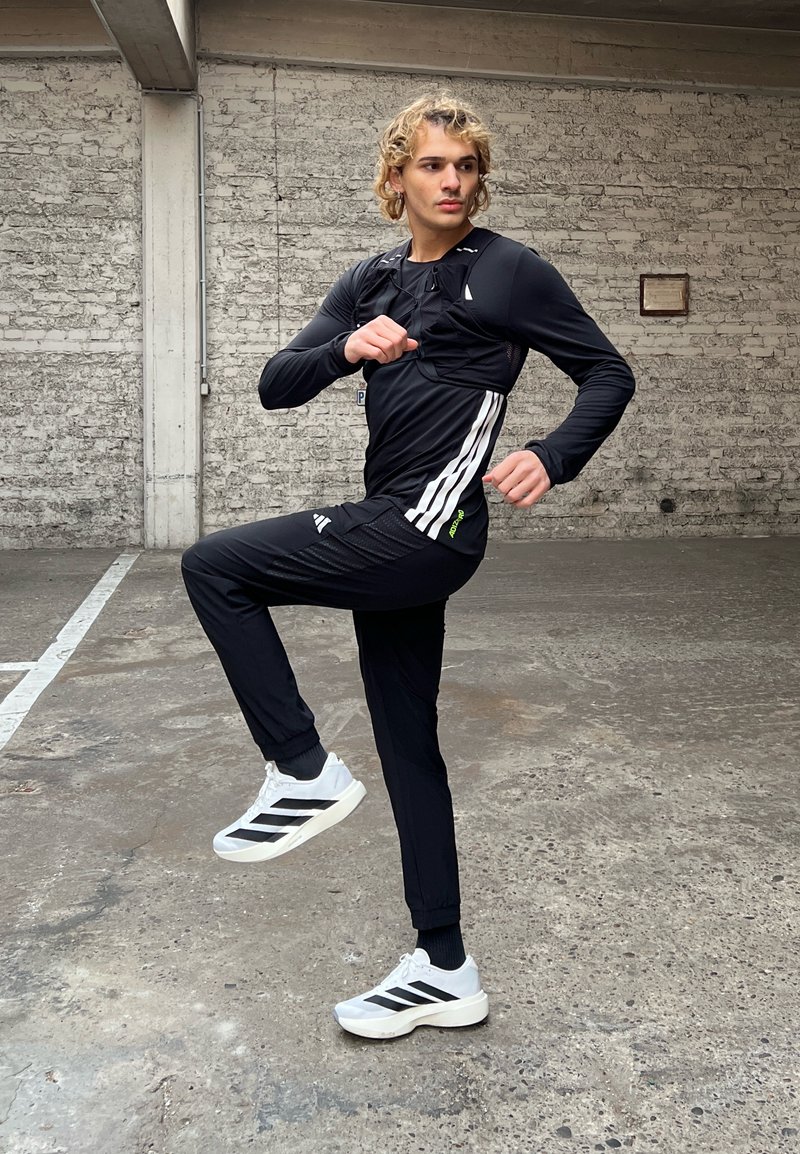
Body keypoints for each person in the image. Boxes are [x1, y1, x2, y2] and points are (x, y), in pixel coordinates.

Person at [181, 92, 635, 1041]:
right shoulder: (372, 278)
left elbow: (608, 372)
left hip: (427, 531)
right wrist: (348, 347)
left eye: (467, 167)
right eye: (434, 166)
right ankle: (444, 965)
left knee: (216, 566)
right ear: (398, 178)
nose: (454, 183)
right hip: (397, 530)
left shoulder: (509, 270)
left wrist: (553, 454)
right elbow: (273, 385)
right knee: (408, 750)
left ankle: (300, 768)